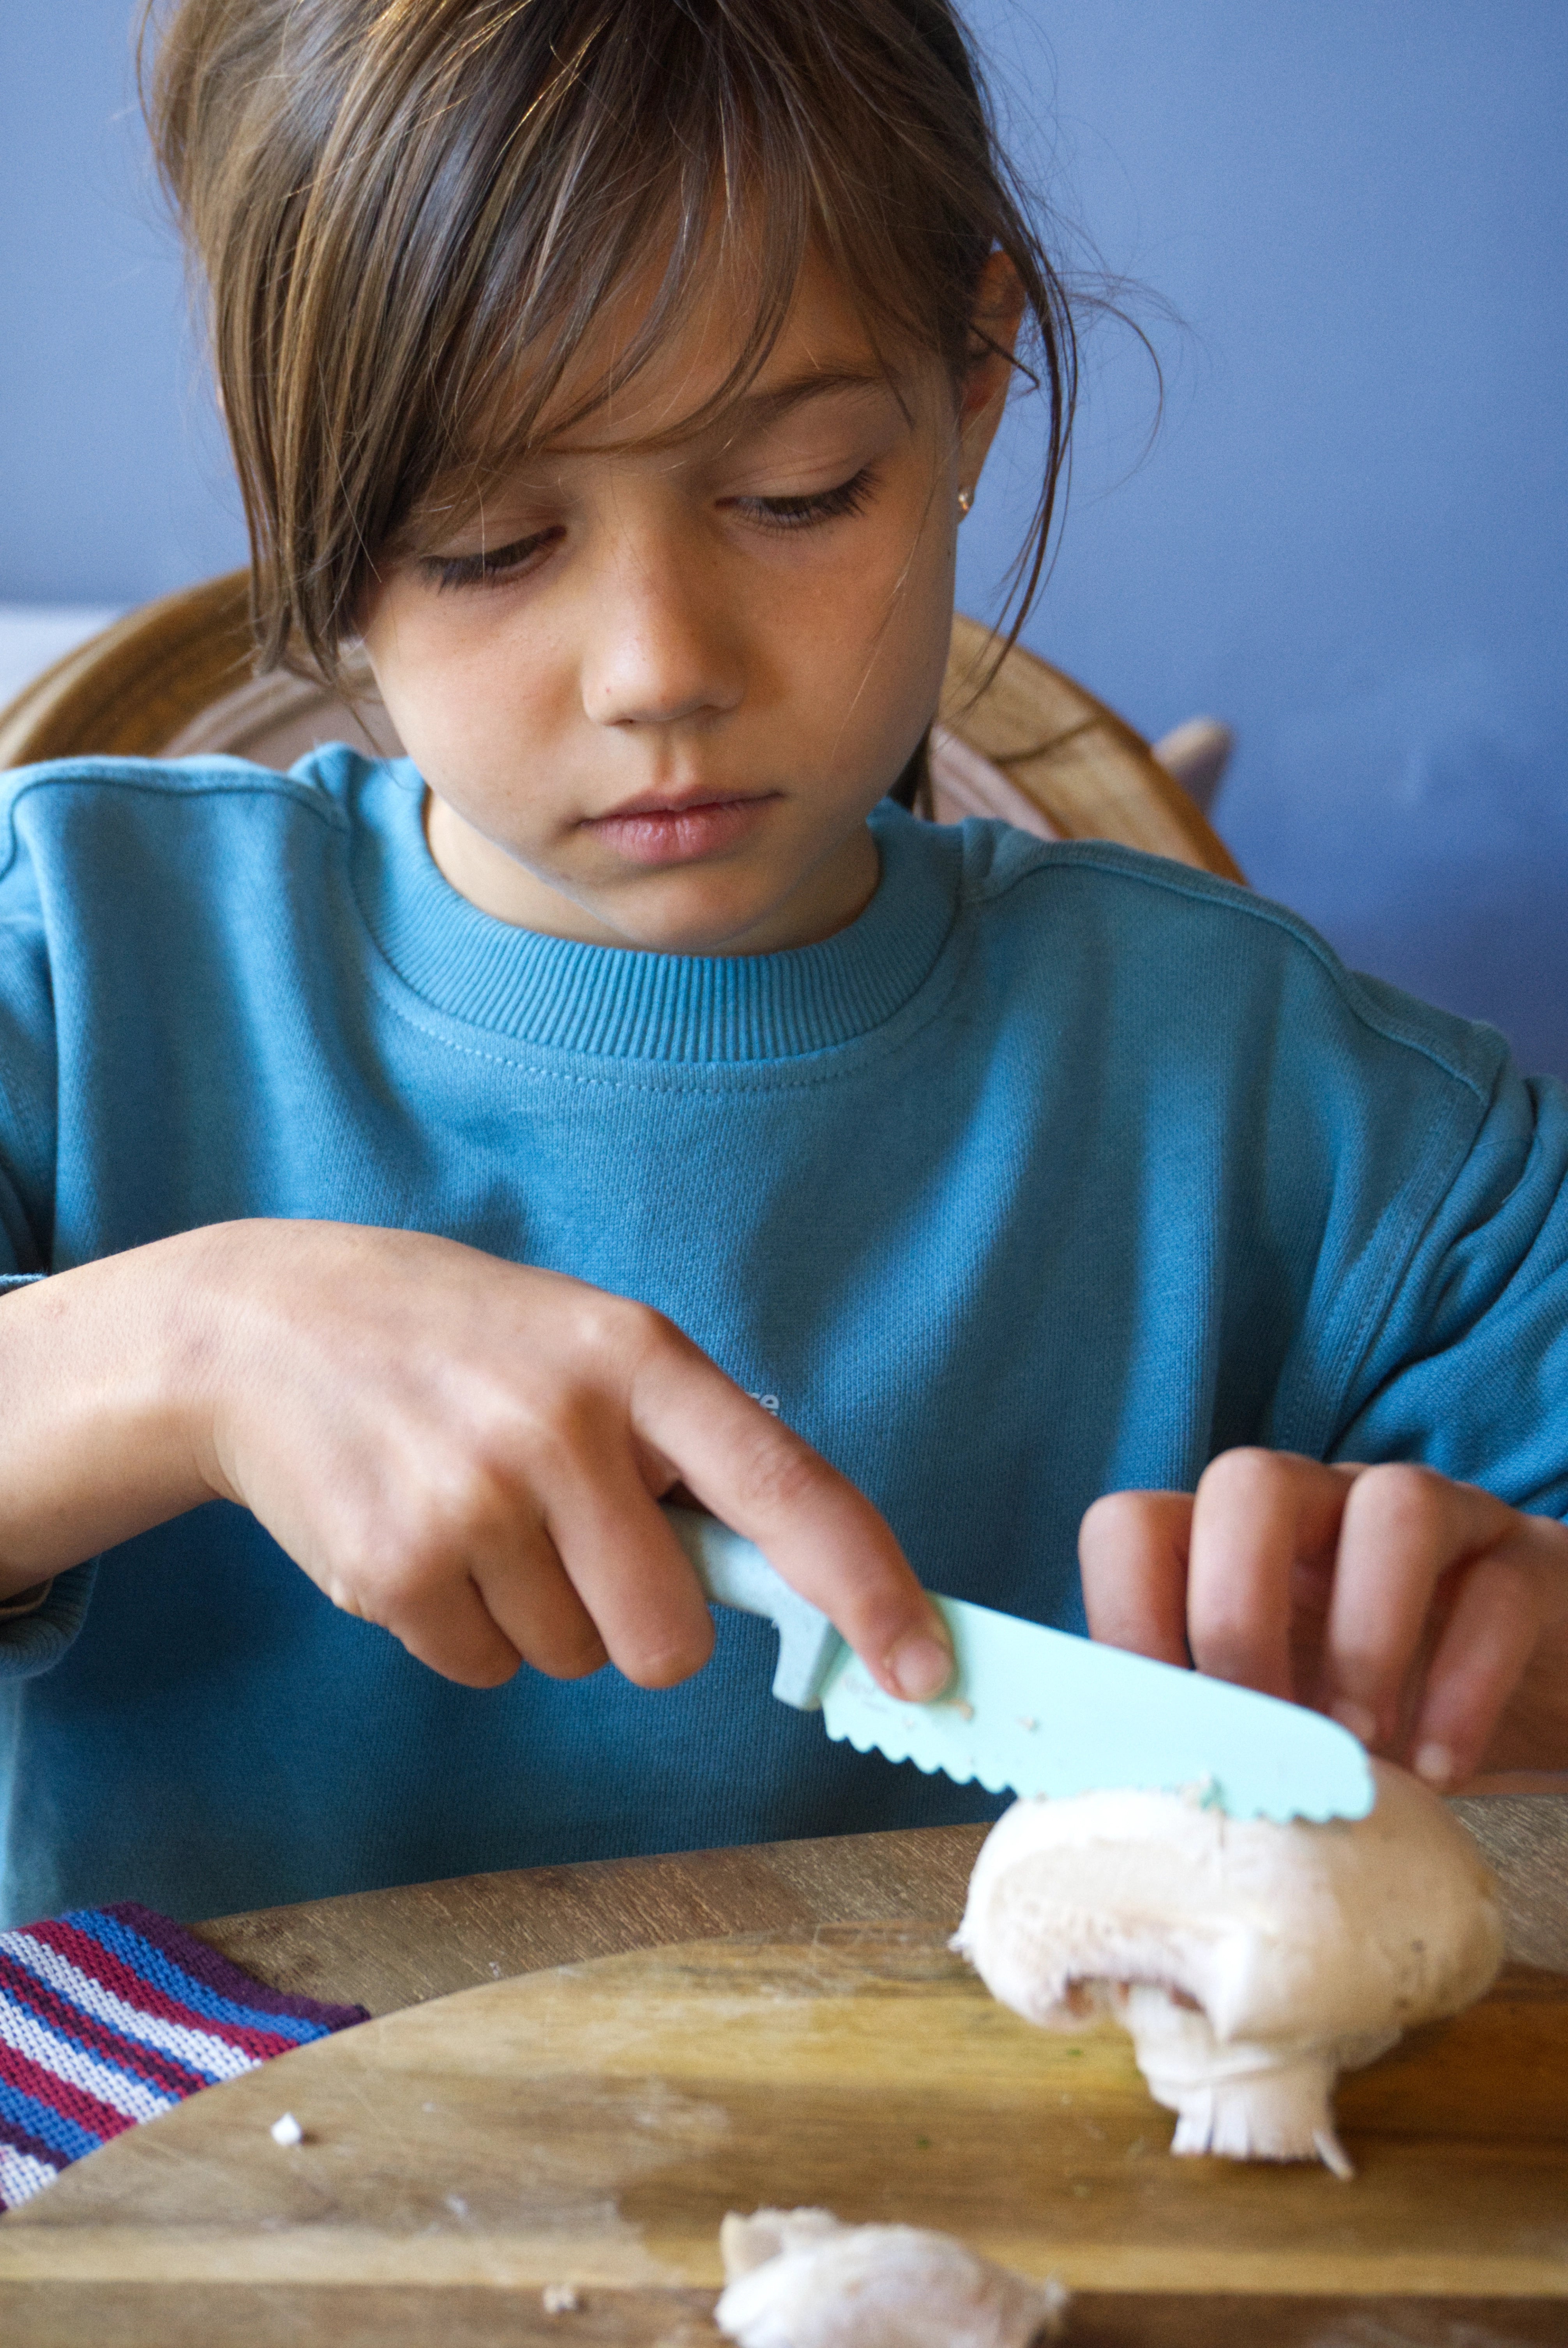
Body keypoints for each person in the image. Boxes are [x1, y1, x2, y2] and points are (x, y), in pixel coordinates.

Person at [0, 0, 1563, 1929]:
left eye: (799, 493)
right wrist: (187, 1351)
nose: (659, 665)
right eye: (491, 540)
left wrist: (1513, 1664)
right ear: (299, 482)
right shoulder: (72, 963)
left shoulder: (1316, 1120)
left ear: (974, 377)